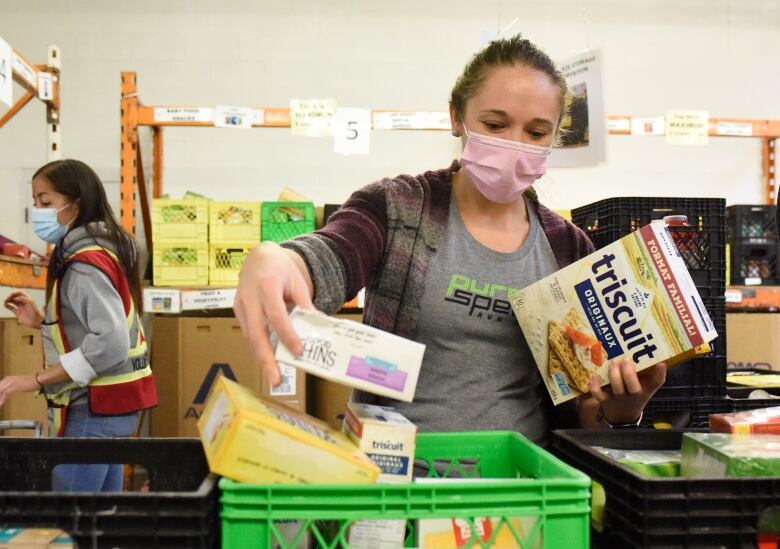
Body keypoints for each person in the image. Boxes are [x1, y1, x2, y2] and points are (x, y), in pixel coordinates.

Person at [234, 35, 667, 444]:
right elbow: (336, 251)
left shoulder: (568, 251)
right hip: (392, 482)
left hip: (519, 489)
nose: (515, 145)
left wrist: (623, 410)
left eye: (536, 133)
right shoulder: (397, 208)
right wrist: (283, 261)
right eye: (496, 124)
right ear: (456, 117)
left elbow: (581, 406)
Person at [0, 159, 157, 491]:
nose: (38, 211)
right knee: (97, 520)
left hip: (94, 408)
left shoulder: (83, 264)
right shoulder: (105, 251)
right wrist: (44, 321)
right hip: (114, 405)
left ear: (77, 204)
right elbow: (104, 324)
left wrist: (32, 380)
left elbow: (110, 344)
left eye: (46, 202)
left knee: (69, 524)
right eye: (35, 203)